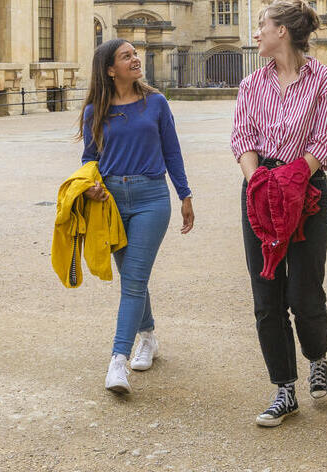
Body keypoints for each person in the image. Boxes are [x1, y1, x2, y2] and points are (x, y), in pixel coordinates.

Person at [231, 0, 327, 427]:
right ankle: (284, 388)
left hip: (307, 190)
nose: (257, 32)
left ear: (282, 31)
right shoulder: (251, 84)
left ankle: (317, 357)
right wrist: (257, 181)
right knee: (267, 297)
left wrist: (295, 176)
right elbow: (242, 134)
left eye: (262, 24)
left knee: (304, 292)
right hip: (260, 190)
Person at [77, 39, 194, 393]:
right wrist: (91, 186)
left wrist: (185, 194)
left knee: (133, 280)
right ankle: (148, 336)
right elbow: (89, 159)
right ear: (110, 69)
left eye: (135, 54)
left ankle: (117, 362)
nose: (135, 59)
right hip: (109, 201)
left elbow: (172, 152)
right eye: (126, 56)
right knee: (133, 277)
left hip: (151, 198)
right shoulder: (94, 111)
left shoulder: (156, 103)